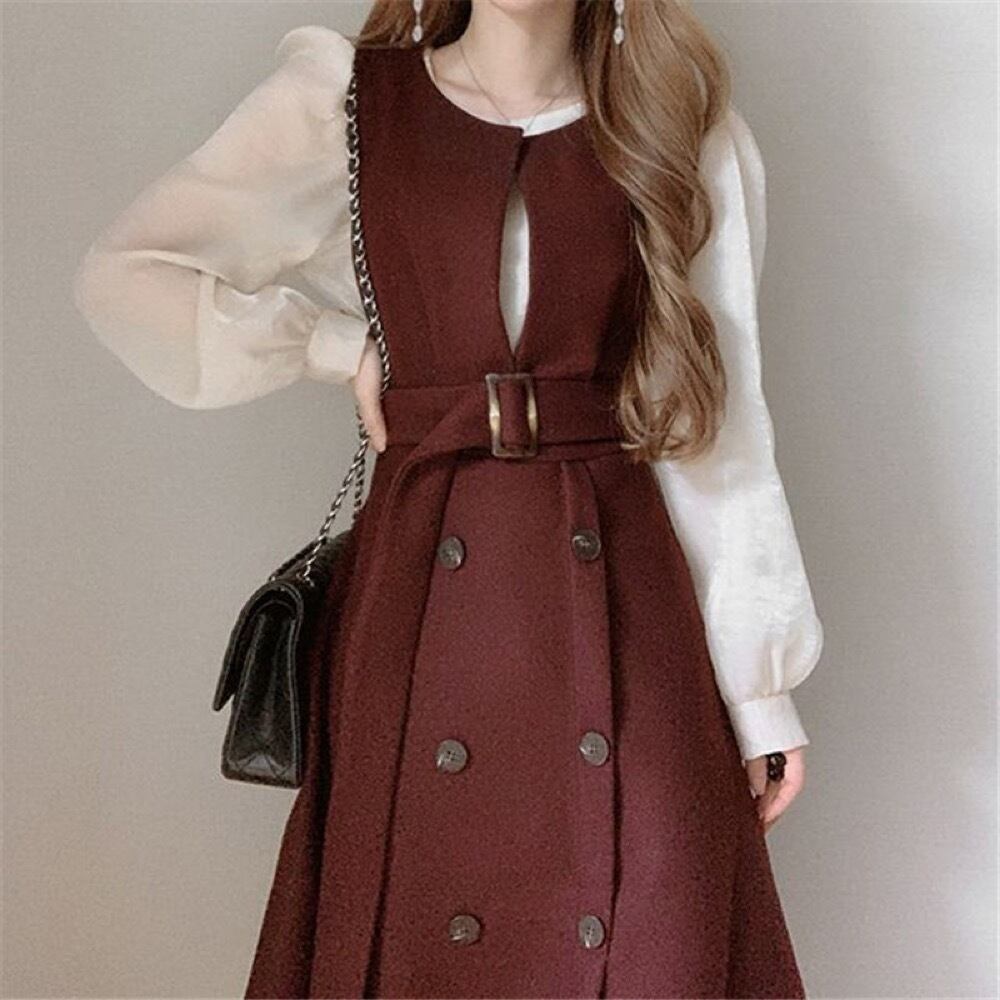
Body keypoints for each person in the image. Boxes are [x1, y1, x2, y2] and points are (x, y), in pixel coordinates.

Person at [71, 1, 825, 997]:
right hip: (423, 598)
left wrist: (759, 689)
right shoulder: (347, 103)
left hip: (626, 610)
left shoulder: (675, 121)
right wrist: (336, 347)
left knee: (646, 933)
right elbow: (128, 272)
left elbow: (712, 424)